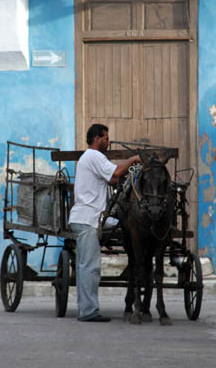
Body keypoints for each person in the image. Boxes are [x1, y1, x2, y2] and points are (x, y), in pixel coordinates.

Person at [68, 124, 141, 322]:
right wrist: (133, 159)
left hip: (87, 218)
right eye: (106, 139)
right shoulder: (94, 156)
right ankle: (89, 312)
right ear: (97, 139)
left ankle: (86, 310)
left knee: (85, 266)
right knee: (90, 267)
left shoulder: (89, 158)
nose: (108, 143)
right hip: (88, 219)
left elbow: (111, 181)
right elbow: (115, 174)